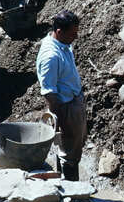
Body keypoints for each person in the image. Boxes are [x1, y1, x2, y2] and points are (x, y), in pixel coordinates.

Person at [35, 10, 86, 181]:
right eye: (72, 33)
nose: (76, 37)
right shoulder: (51, 56)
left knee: (71, 144)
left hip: (73, 99)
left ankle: (65, 176)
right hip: (66, 106)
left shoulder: (62, 43)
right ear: (59, 31)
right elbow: (49, 92)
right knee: (70, 149)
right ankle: (72, 186)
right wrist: (59, 117)